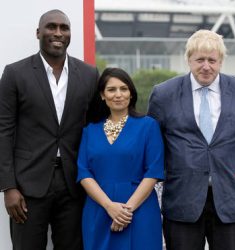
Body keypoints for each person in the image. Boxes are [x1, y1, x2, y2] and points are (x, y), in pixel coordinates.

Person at [148, 29, 235, 250]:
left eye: (212, 60)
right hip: (183, 200)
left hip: (231, 199)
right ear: (188, 59)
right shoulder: (163, 94)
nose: (206, 66)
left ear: (221, 61)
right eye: (199, 59)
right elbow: (155, 144)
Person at [0, 9, 99, 250]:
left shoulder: (88, 75)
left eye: (64, 28)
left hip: (74, 185)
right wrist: (8, 187)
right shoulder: (15, 73)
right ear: (38, 32)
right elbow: (4, 131)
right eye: (51, 27)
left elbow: (94, 129)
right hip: (27, 186)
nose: (58, 33)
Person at [77, 67, 164, 250]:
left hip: (139, 211)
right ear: (102, 95)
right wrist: (109, 207)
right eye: (111, 89)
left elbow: (153, 171)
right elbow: (84, 172)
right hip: (99, 209)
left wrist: (125, 211)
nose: (118, 94)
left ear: (131, 94)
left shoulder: (148, 126)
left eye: (124, 89)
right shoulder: (90, 130)